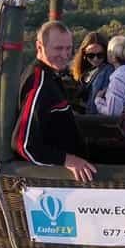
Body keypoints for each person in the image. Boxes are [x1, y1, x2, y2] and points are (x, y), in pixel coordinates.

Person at [13, 21, 97, 182]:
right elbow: (23, 144)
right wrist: (68, 160)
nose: (65, 54)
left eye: (68, 48)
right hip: (61, 180)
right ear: (39, 47)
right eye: (58, 48)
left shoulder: (51, 75)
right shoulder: (39, 84)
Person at [72, 31, 114, 114]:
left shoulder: (107, 71)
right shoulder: (87, 70)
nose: (95, 59)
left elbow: (95, 104)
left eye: (100, 55)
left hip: (93, 120)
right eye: (91, 55)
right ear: (84, 54)